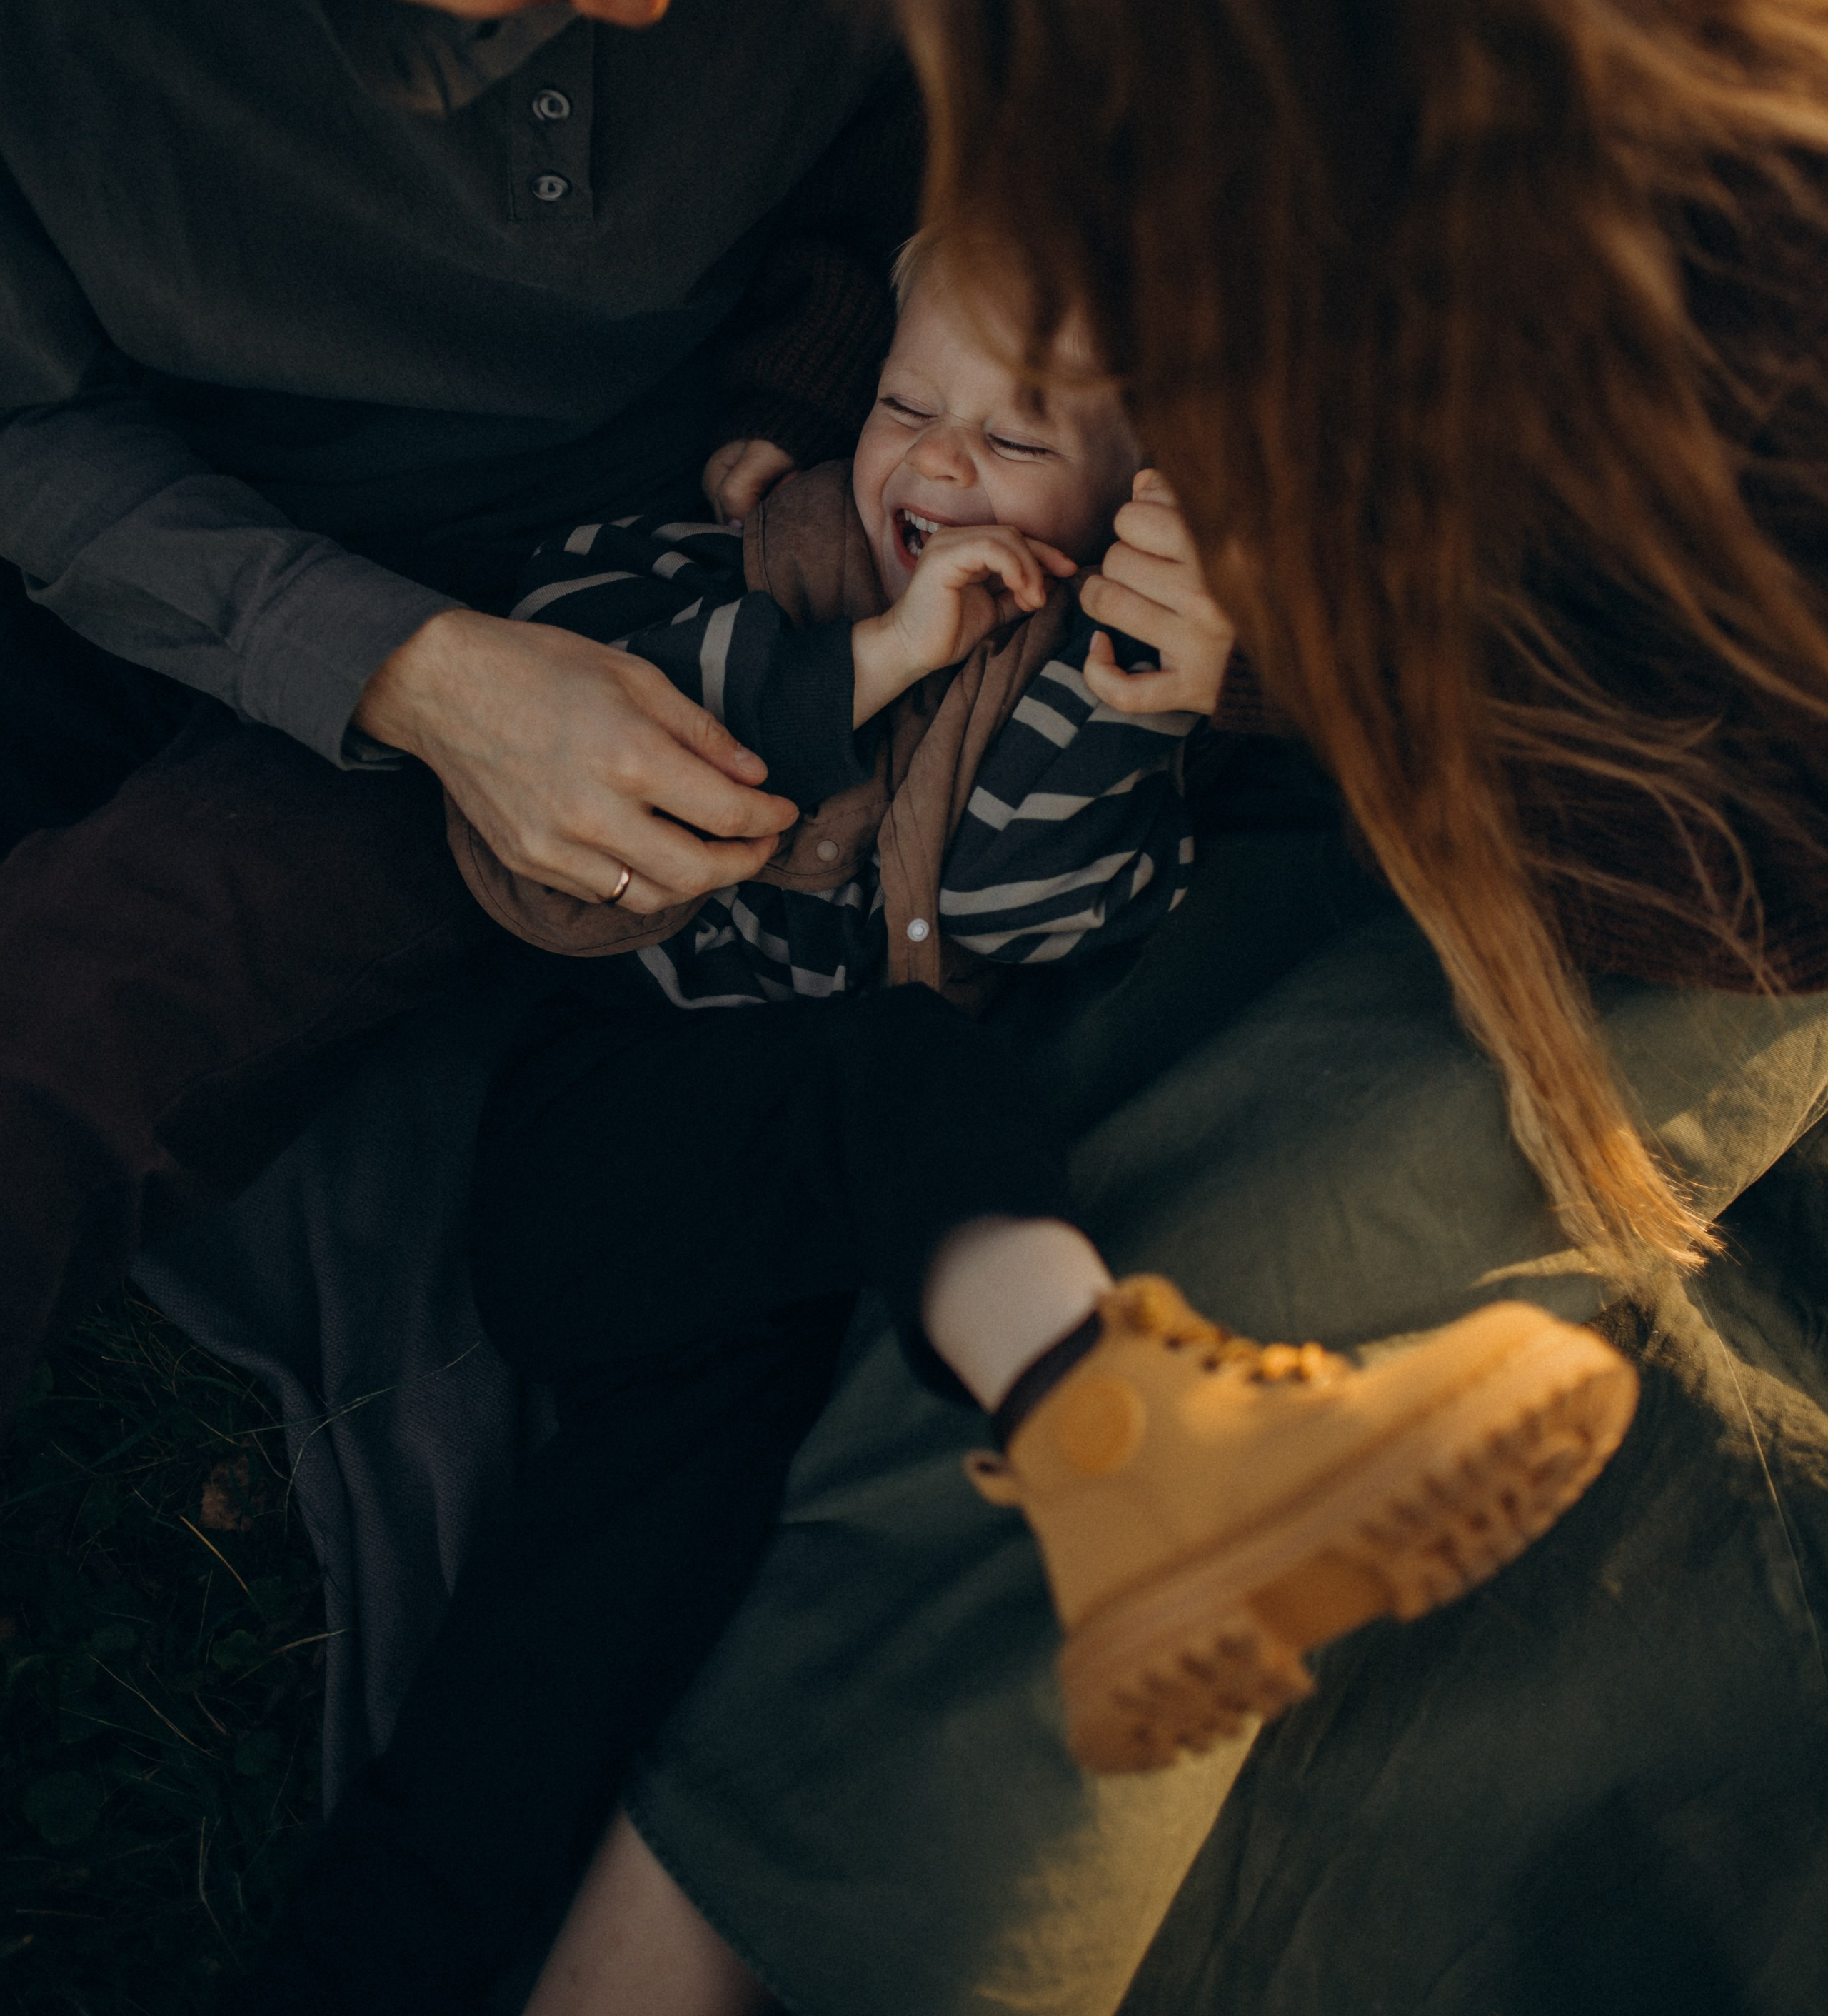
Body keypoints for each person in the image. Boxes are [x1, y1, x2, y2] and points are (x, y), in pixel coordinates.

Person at [485, 0, 1828, 2016]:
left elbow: (1745, 867)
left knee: (1200, 1240)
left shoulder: (1711, 364)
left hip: (1691, 845)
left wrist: (1302, 649)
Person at [264, 236, 1634, 2009]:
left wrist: (1127, 699)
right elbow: (556, 850)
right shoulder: (708, 552)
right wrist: (860, 660)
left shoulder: (1094, 699)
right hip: (612, 1155)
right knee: (907, 1070)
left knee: (593, 1640)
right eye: (912, 405)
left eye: (1022, 439)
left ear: (1136, 493)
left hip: (788, 1297)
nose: (945, 463)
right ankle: (1120, 1436)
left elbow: (1040, 904)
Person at [0, 0, 928, 1428]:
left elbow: (920, 177)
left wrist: (786, 434)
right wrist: (404, 669)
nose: (645, 13)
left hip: (601, 587)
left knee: (82, 1031)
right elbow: (25, 428)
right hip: (144, 515)